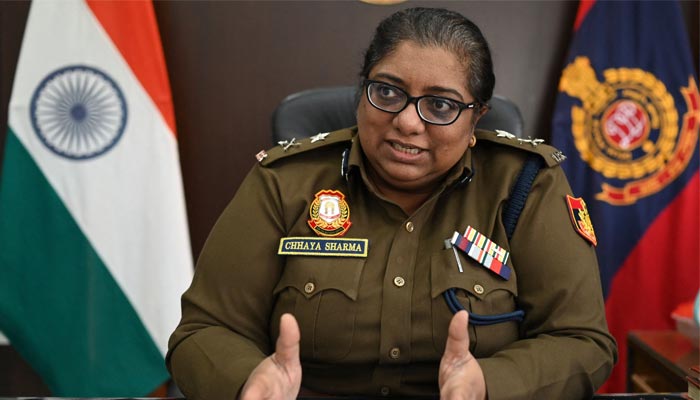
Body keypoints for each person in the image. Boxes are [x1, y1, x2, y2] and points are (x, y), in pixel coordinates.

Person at [167, 7, 617, 399]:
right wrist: (249, 383)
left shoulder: (524, 185)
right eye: (387, 92)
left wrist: (489, 385)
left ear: (477, 116)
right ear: (362, 91)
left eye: (439, 106)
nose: (405, 121)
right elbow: (203, 330)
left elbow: (580, 339)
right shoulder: (286, 183)